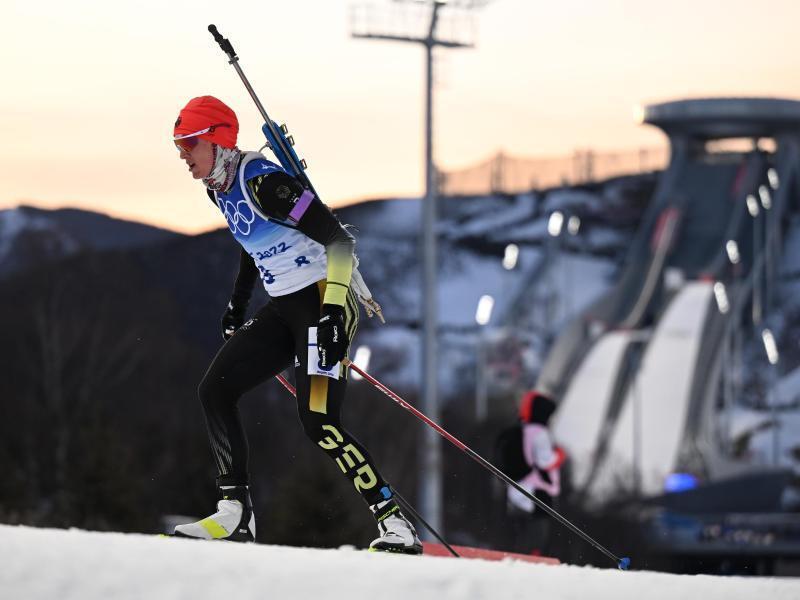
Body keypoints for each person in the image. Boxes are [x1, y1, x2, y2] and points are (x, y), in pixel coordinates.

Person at [170, 95, 421, 554]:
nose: (183, 156)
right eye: (178, 146)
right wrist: (237, 303)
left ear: (217, 140)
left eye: (189, 144)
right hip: (285, 308)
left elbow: (340, 243)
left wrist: (329, 317)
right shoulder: (218, 186)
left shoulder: (267, 183)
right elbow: (251, 240)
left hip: (328, 300)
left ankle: (395, 523)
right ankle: (236, 513)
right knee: (215, 390)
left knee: (319, 421)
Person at [500, 390, 565, 554]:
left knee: (519, 533)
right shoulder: (540, 432)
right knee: (538, 533)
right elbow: (545, 461)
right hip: (537, 491)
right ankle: (534, 559)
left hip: (517, 489)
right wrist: (559, 455)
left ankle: (517, 558)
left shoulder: (522, 429)